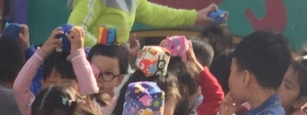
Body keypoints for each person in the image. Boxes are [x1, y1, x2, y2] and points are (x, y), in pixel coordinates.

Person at [67, 0, 213, 48]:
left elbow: (155, 13)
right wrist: (102, 52)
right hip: (89, 70)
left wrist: (194, 17)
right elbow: (73, 30)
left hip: (113, 70)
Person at [89, 38, 132, 115]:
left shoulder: (121, 109)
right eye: (94, 71)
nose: (99, 79)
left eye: (108, 74)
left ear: (119, 79)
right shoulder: (77, 102)